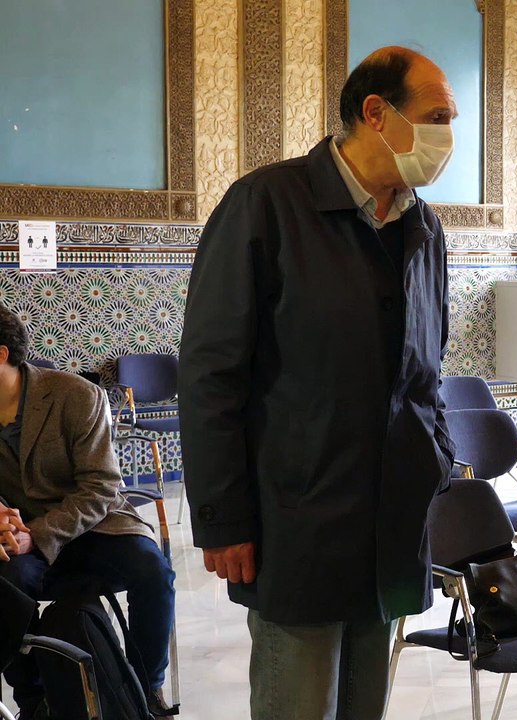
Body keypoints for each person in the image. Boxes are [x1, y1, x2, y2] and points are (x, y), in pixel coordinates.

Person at [178, 46, 457, 720]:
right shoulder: (267, 205)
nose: (449, 136)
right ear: (375, 113)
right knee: (298, 704)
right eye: (438, 116)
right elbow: (211, 376)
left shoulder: (424, 228)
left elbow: (428, 373)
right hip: (296, 520)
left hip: (392, 522)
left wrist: (436, 464)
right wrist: (223, 518)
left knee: (367, 704)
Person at [0, 306, 176, 718]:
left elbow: (100, 487)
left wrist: (37, 533)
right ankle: (35, 701)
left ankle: (144, 689)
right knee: (6, 585)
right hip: (20, 532)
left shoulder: (75, 395)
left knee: (153, 572)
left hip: (94, 525)